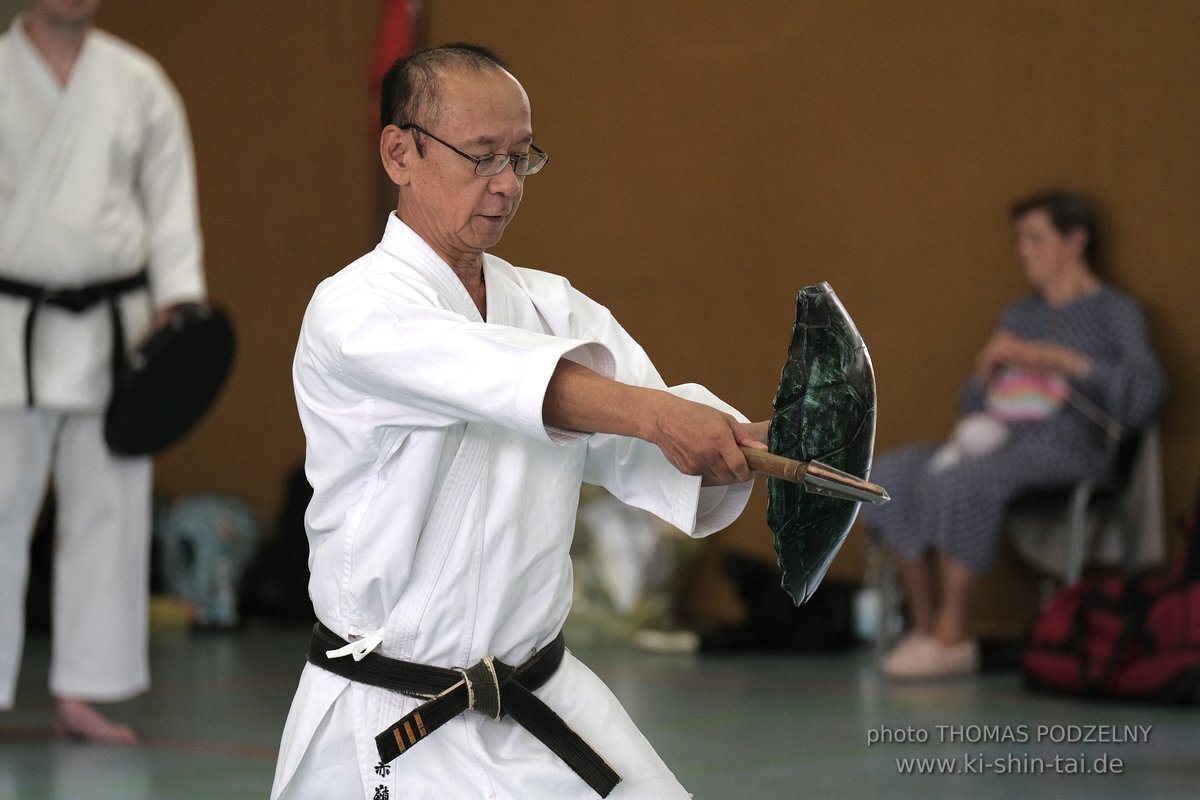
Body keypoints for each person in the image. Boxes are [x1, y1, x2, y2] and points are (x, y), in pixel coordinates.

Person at [271, 43, 767, 799]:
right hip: (391, 715)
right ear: (399, 152)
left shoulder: (549, 307)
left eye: (520, 157)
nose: (506, 184)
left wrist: (750, 445)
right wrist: (659, 415)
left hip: (541, 690)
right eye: (480, 157)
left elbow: (649, 431)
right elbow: (503, 378)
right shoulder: (353, 308)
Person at [0, 0, 206, 743]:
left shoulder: (137, 80)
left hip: (118, 331)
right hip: (9, 326)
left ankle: (84, 691)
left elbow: (171, 202)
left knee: (109, 513)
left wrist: (178, 303)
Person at [861, 189, 1166, 681]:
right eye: (1020, 239)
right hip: (999, 439)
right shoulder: (1018, 315)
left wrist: (1063, 361)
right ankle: (923, 625)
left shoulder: (1116, 312)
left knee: (961, 481)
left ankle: (951, 634)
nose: (1023, 250)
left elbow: (1146, 394)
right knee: (888, 475)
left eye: (1035, 238)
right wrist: (984, 376)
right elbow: (975, 407)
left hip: (1067, 448)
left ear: (1076, 240)